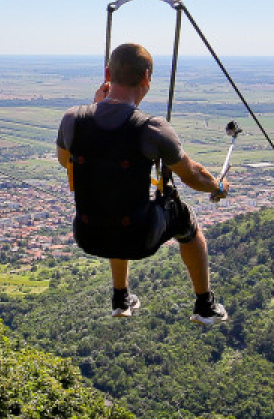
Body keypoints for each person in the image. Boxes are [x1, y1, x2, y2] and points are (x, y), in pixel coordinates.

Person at [56, 43, 229, 325]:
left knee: (113, 198)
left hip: (89, 234)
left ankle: (120, 296)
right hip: (139, 238)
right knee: (185, 219)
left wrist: (97, 107)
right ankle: (204, 304)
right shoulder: (152, 129)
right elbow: (192, 175)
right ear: (147, 77)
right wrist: (217, 187)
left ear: (108, 73)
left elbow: (67, 162)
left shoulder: (73, 119)